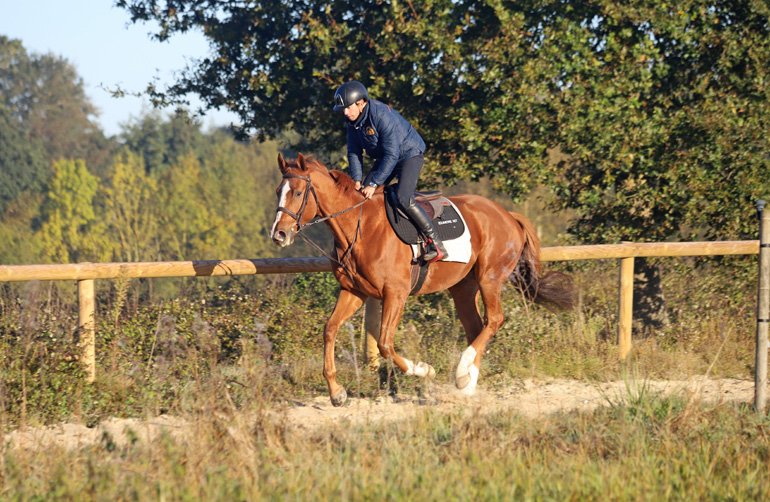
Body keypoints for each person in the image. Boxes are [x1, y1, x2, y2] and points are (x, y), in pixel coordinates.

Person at [333, 80, 448, 262]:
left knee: (403, 198)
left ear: (361, 103)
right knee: (361, 197)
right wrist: (357, 180)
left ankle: (436, 243)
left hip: (409, 154)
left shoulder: (380, 115)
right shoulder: (353, 123)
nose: (345, 112)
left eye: (348, 107)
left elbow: (392, 155)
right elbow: (354, 153)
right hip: (387, 157)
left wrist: (373, 183)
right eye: (343, 109)